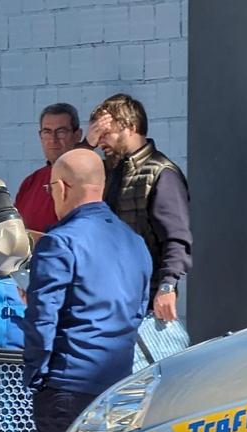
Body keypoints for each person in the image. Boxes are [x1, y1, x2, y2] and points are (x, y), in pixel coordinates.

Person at [22, 149, 152, 432]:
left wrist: (35, 377)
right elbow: (139, 310)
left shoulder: (59, 242)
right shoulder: (134, 242)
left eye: (50, 189)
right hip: (117, 384)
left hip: (66, 388)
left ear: (62, 188)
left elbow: (42, 319)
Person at [84, 94, 191, 323]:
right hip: (107, 296)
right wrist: (86, 145)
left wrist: (167, 286)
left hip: (145, 300)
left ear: (131, 127)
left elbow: (175, 237)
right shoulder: (107, 170)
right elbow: (68, 175)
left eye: (106, 133)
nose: (101, 142)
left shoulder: (161, 173)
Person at [14, 103, 84, 233]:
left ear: (77, 135)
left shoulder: (89, 179)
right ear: (40, 136)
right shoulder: (30, 182)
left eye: (61, 131)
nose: (53, 139)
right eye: (47, 132)